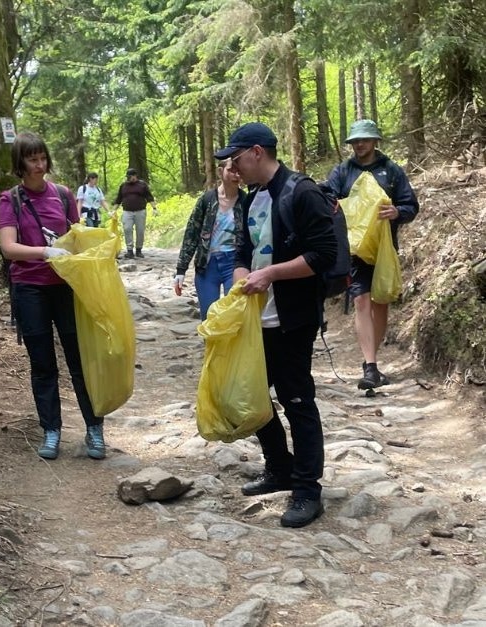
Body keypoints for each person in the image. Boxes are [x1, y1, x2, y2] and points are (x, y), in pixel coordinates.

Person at [214, 122, 337, 528]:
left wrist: (270, 276)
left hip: (293, 319)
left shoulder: (301, 193)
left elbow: (323, 254)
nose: (233, 167)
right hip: (256, 321)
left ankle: (307, 490)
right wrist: (241, 275)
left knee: (296, 399)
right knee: (251, 395)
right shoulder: (254, 199)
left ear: (256, 152)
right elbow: (243, 250)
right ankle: (279, 467)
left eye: (235, 158)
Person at [0, 131, 107, 461]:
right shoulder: (10, 200)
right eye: (32, 159)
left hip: (66, 287)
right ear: (20, 163)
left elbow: (77, 236)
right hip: (30, 289)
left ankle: (94, 429)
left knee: (79, 360)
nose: (39, 165)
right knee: (43, 363)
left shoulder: (62, 195)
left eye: (43, 158)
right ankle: (51, 430)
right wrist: (46, 251)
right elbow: (8, 247)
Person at [327, 119, 419, 390]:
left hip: (383, 248)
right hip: (353, 250)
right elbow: (326, 199)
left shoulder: (391, 171)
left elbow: (410, 205)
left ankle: (373, 360)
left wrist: (397, 213)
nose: (359, 144)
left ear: (375, 141)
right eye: (355, 140)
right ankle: (370, 366)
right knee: (361, 301)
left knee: (380, 302)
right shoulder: (342, 172)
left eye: (364, 139)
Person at [173, 160, 246, 319]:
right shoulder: (207, 200)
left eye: (239, 171)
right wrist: (181, 270)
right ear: (221, 172)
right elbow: (192, 234)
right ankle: (210, 345)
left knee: (232, 314)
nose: (236, 174)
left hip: (234, 264)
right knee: (208, 317)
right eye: (231, 170)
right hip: (207, 265)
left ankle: (230, 345)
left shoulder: (246, 201)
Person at [112, 168, 158, 259]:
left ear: (136, 175)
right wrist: (114, 210)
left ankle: (138, 250)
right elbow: (118, 199)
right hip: (127, 211)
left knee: (140, 230)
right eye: (130, 176)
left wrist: (154, 208)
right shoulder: (123, 186)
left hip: (140, 211)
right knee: (127, 228)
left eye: (133, 176)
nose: (132, 178)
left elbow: (149, 197)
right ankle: (129, 250)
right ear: (127, 177)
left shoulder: (142, 185)